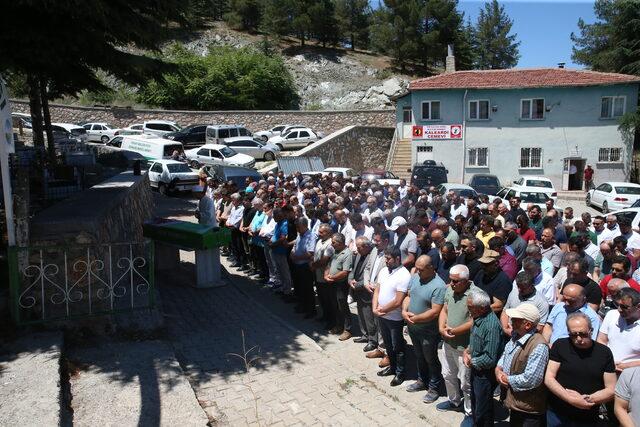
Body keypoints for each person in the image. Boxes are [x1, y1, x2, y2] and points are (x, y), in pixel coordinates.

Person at [545, 312, 616, 426]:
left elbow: (611, 388)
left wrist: (587, 400)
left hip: (587, 415)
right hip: (557, 413)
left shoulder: (604, 352)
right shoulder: (560, 345)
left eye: (583, 334)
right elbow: (549, 377)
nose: (578, 338)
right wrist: (570, 399)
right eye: (573, 334)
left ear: (591, 330)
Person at [496, 303, 549, 427]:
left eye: (515, 320)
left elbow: (531, 379)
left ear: (528, 325)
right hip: (516, 402)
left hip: (528, 408)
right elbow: (506, 355)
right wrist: (498, 369)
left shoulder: (539, 346)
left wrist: (506, 379)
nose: (511, 322)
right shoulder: (515, 336)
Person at [402, 255, 446, 403]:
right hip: (413, 328)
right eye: (417, 269)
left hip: (428, 331)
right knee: (419, 356)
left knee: (430, 358)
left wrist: (415, 318)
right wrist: (404, 311)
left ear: (430, 268)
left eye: (421, 269)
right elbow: (408, 296)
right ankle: (422, 380)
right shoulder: (415, 277)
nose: (418, 272)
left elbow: (435, 311)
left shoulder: (438, 286)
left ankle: (434, 387)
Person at [436, 264, 477, 417]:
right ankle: (454, 401)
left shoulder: (475, 295)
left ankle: (470, 411)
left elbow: (475, 320)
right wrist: (441, 327)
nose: (451, 284)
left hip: (464, 347)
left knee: (466, 382)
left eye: (455, 281)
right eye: (451, 280)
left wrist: (453, 330)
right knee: (447, 374)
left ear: (466, 281)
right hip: (448, 343)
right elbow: (444, 309)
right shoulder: (450, 290)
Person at [463, 288, 503, 427]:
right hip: (476, 369)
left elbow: (489, 358)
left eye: (470, 307)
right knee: (477, 404)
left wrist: (471, 360)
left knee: (482, 409)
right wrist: (467, 350)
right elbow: (475, 340)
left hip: (485, 374)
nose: (468, 310)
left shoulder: (491, 326)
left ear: (481, 308)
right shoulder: (478, 318)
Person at [373, 246, 411, 386]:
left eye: (388, 259)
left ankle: (400, 373)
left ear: (397, 259)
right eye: (385, 258)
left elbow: (398, 301)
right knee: (388, 345)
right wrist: (375, 308)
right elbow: (377, 291)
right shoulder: (383, 271)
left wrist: (381, 309)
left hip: (394, 318)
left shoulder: (404, 275)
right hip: (382, 315)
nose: (386, 261)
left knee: (398, 346)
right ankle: (392, 367)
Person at [597, 288, 640, 372]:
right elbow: (601, 340)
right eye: (617, 305)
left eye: (624, 307)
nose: (619, 309)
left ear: (638, 306)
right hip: (607, 369)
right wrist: (608, 360)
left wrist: (626, 366)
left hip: (633, 374)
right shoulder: (611, 315)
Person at [348, 236, 377, 351]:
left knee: (369, 318)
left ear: (366, 246)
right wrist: (350, 280)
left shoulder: (372, 256)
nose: (357, 249)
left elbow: (369, 277)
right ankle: (365, 335)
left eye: (359, 247)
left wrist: (356, 285)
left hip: (366, 292)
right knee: (361, 315)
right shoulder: (358, 254)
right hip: (357, 290)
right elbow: (352, 269)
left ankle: (373, 340)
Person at [501, 272, 549, 336]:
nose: (519, 290)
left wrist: (517, 333)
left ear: (532, 285)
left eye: (523, 288)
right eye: (518, 286)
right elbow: (505, 311)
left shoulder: (542, 302)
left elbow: (539, 327)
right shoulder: (514, 293)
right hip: (507, 333)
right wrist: (505, 329)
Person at [324, 233, 353, 340]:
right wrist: (326, 274)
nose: (331, 244)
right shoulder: (335, 252)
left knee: (342, 306)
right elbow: (329, 265)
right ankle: (339, 325)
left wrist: (332, 278)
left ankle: (348, 329)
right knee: (334, 305)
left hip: (341, 284)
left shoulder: (347, 254)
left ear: (340, 243)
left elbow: (345, 272)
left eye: (333, 242)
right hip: (332, 283)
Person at [311, 224, 336, 330]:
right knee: (321, 298)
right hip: (318, 274)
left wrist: (313, 265)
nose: (319, 234)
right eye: (319, 232)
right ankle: (325, 316)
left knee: (328, 299)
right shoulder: (319, 241)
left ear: (328, 233)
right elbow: (315, 255)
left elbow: (324, 260)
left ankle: (332, 321)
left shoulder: (330, 243)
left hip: (326, 275)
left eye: (322, 232)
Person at [290, 217, 316, 317]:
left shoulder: (311, 236)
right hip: (297, 264)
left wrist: (297, 257)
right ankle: (302, 306)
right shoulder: (299, 235)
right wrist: (292, 254)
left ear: (305, 226)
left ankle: (311, 310)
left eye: (299, 227)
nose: (297, 229)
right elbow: (295, 246)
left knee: (307, 289)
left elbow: (310, 253)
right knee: (300, 287)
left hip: (305, 266)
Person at [473, 249, 512, 314]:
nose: (483, 266)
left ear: (496, 264)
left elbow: (498, 305)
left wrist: (477, 311)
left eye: (486, 264)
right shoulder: (481, 273)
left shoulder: (503, 280)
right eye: (482, 263)